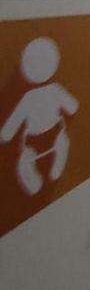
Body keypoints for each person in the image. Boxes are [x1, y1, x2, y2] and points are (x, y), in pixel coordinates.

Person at [0, 37, 79, 195]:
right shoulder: (53, 90)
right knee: (61, 144)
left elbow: (7, 132)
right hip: (50, 135)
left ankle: (38, 176)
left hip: (36, 140)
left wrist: (6, 134)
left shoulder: (29, 98)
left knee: (27, 159)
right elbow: (72, 107)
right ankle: (45, 173)